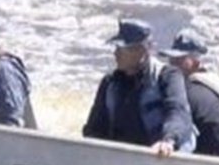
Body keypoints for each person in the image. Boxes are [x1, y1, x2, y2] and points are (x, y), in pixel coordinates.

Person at [82, 19, 194, 157]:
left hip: (158, 157)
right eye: (116, 48)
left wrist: (168, 141)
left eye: (122, 49)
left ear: (142, 50)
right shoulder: (109, 83)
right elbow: (94, 129)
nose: (115, 54)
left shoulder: (168, 76)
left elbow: (178, 113)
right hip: (119, 160)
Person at [158, 29, 219, 159]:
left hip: (217, 164)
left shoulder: (189, 92)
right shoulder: (218, 85)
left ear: (195, 62)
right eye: (171, 59)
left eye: (179, 60)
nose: (172, 65)